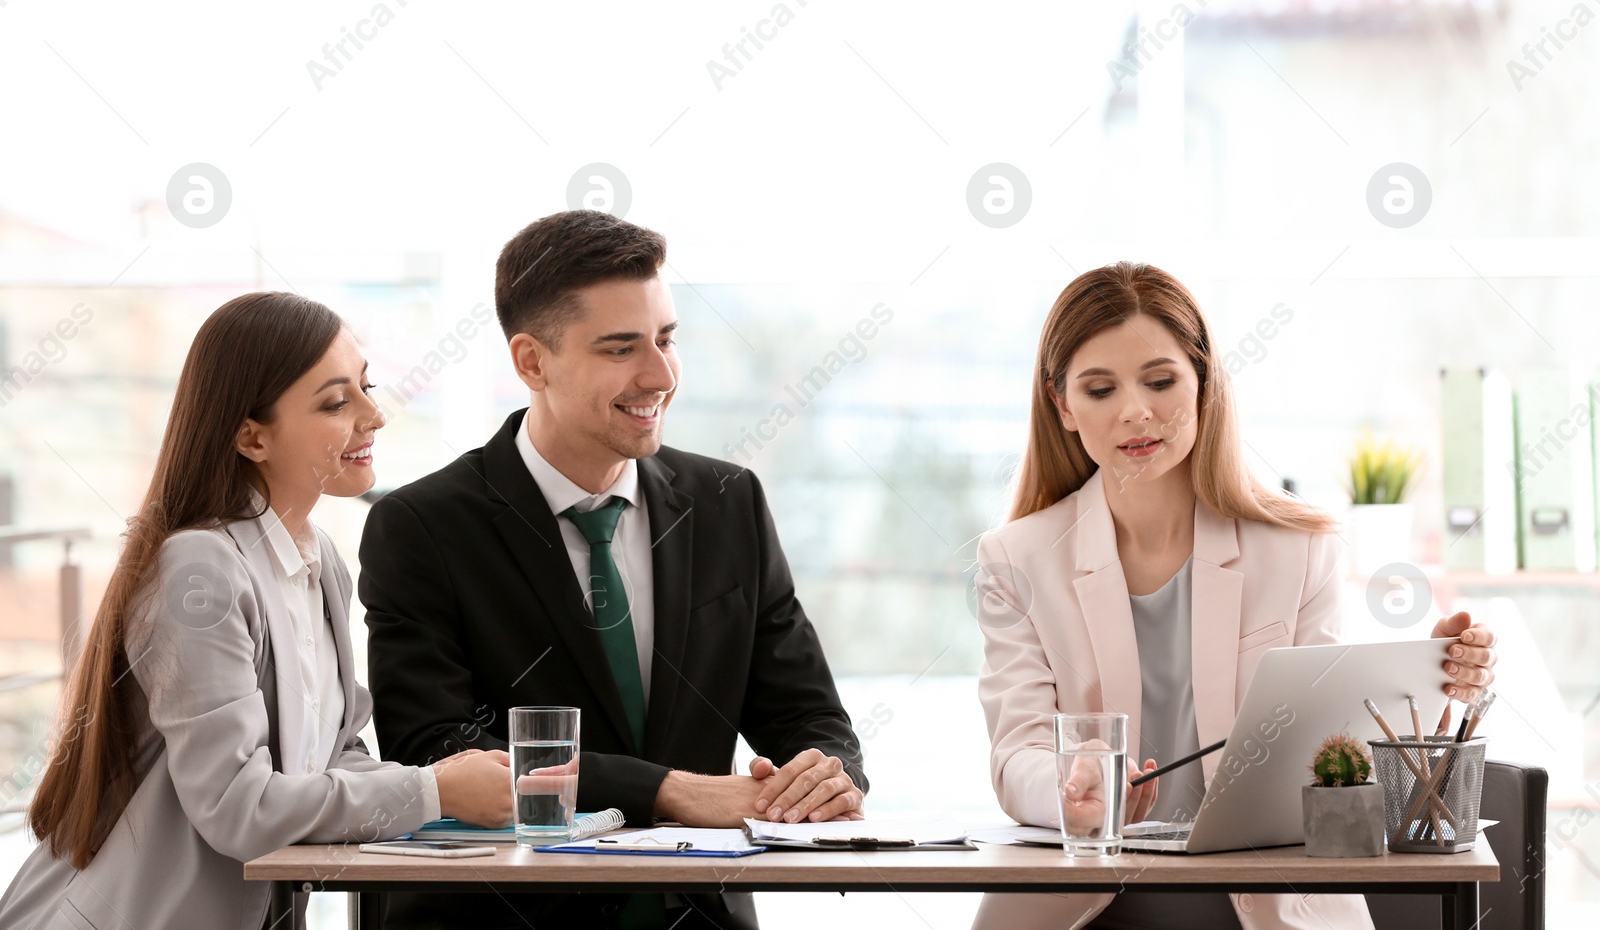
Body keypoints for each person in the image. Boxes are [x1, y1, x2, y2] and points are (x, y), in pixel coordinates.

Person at [359, 209, 866, 930]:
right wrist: (668, 788)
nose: (659, 374)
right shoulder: (422, 526)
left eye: (666, 339)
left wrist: (826, 775)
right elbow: (436, 749)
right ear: (532, 361)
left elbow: (806, 714)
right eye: (621, 347)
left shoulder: (728, 503)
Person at [973, 263, 1497, 930]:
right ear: (1063, 406)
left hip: (1271, 908)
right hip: (1082, 907)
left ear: (1203, 383)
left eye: (1160, 380)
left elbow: (1336, 753)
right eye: (1100, 388)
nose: (1136, 410)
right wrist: (1072, 788)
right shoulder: (1015, 559)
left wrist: (1429, 678)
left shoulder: (1299, 549)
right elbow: (1015, 752)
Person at [0, 292, 510, 930]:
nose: (375, 415)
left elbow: (333, 753)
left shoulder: (317, 558)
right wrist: (433, 793)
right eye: (336, 401)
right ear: (251, 435)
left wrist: (451, 785)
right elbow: (238, 808)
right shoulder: (201, 569)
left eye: (366, 387)